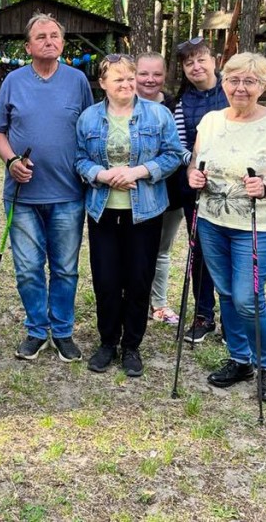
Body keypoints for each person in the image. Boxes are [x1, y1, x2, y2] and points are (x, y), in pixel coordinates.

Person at [186, 52, 266, 403]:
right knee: (227, 292)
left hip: (256, 224)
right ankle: (240, 359)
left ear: (262, 86)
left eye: (250, 81)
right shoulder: (211, 120)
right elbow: (195, 162)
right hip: (212, 220)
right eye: (234, 80)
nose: (241, 87)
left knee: (249, 297)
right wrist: (194, 176)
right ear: (224, 83)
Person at [0, 13, 94, 362]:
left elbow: (91, 128)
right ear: (28, 46)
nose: (49, 41)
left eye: (54, 36)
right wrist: (10, 161)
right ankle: (37, 329)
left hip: (68, 193)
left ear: (62, 44)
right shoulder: (13, 81)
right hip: (23, 196)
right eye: (41, 37)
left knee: (65, 267)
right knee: (29, 268)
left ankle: (62, 331)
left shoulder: (78, 80)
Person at [75, 54, 183, 376]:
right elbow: (79, 159)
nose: (126, 84)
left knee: (138, 279)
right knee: (107, 280)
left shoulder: (158, 115)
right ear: (103, 83)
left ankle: (132, 346)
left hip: (145, 211)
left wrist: (139, 171)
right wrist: (101, 175)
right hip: (103, 211)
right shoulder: (88, 119)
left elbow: (173, 155)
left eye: (129, 78)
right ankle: (108, 341)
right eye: (118, 79)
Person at [174, 37, 229, 342]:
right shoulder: (183, 102)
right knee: (201, 251)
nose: (196, 67)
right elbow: (180, 144)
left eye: (201, 59)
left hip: (234, 189)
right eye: (188, 62)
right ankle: (203, 314)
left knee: (233, 251)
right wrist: (192, 166)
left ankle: (234, 316)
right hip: (196, 188)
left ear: (214, 61)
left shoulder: (233, 89)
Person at [135, 52, 193, 325]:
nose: (150, 79)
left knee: (161, 249)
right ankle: (132, 297)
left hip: (170, 191)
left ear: (165, 75)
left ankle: (157, 303)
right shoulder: (119, 104)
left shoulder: (175, 106)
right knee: (131, 249)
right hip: (130, 191)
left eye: (156, 74)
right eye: (144, 73)